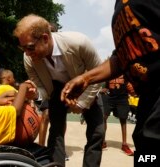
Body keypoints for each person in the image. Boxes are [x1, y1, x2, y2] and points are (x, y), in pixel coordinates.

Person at [61, 0, 160, 163]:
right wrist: (86, 78)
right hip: (148, 102)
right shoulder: (120, 6)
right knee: (146, 157)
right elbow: (121, 57)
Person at [13, 14, 104, 166]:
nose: (27, 53)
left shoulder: (79, 42)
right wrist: (35, 93)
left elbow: (98, 72)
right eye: (22, 48)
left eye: (29, 47)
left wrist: (82, 103)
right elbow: (40, 86)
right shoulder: (28, 58)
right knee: (55, 132)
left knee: (97, 132)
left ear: (45, 38)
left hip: (86, 86)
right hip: (56, 90)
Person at [102, 75, 134, 156]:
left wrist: (132, 89)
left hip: (122, 98)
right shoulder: (109, 70)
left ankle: (124, 144)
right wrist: (101, 89)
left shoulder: (126, 71)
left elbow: (132, 82)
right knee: (103, 118)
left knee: (123, 120)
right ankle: (102, 141)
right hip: (109, 97)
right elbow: (102, 81)